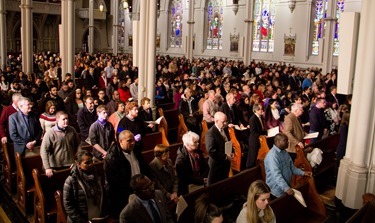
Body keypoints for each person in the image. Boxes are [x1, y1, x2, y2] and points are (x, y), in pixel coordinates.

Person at [104, 130, 150, 218]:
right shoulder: (112, 157)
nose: (133, 143)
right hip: (123, 194)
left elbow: (144, 168)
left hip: (140, 189)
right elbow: (113, 181)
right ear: (120, 141)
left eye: (133, 140)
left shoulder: (136, 150)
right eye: (129, 141)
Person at [63, 150, 107, 223]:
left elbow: (103, 194)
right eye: (87, 163)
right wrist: (81, 221)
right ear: (78, 164)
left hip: (98, 217)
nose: (91, 164)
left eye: (91, 161)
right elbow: (68, 205)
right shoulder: (71, 180)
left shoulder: (97, 175)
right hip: (80, 220)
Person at [264, 133, 312, 197]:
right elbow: (276, 175)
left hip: (286, 186)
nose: (288, 142)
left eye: (287, 140)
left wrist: (303, 173)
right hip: (276, 190)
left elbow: (292, 168)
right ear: (277, 142)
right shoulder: (273, 156)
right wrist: (286, 188)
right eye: (285, 140)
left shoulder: (284, 152)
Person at [40, 111, 81, 177]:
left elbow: (78, 146)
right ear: (57, 120)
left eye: (67, 118)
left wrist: (77, 160)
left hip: (70, 164)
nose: (66, 120)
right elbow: (44, 151)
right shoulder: (50, 133)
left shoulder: (72, 130)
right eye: (63, 119)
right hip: (55, 166)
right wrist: (47, 167)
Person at [206, 112, 231, 185]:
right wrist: (226, 156)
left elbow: (227, 142)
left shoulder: (225, 129)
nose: (226, 123)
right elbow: (211, 151)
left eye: (226, 121)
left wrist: (230, 152)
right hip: (216, 166)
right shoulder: (210, 133)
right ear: (216, 121)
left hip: (225, 164)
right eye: (223, 122)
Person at [246, 104, 267, 169]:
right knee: (252, 158)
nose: (262, 110)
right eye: (260, 109)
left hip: (260, 139)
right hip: (254, 140)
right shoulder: (252, 119)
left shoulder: (260, 117)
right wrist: (262, 136)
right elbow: (253, 131)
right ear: (256, 110)